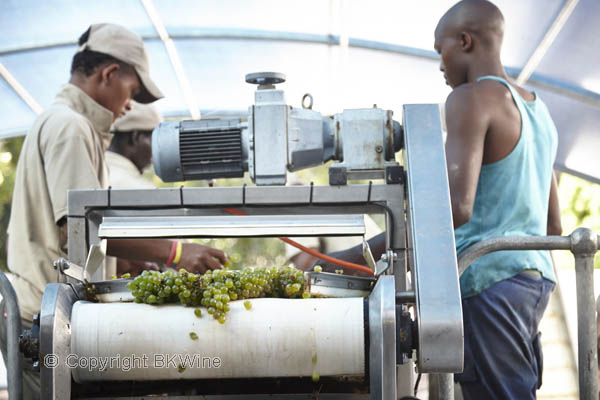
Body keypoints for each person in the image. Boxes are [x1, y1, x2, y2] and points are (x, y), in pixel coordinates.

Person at [1, 23, 226, 398]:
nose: (129, 105)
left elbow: (77, 234)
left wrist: (126, 265)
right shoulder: (70, 128)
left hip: (48, 314)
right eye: (132, 91)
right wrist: (177, 252)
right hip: (42, 321)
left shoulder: (71, 124)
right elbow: (76, 228)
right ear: (108, 74)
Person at [434, 1, 561, 398]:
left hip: (488, 283)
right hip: (531, 282)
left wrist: (369, 249)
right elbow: (552, 227)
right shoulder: (538, 111)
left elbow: (456, 208)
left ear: (465, 41)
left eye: (441, 52)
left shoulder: (470, 99)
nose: (440, 66)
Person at [106, 101, 161, 276]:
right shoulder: (136, 187)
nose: (157, 151)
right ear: (136, 137)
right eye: (155, 141)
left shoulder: (94, 171)